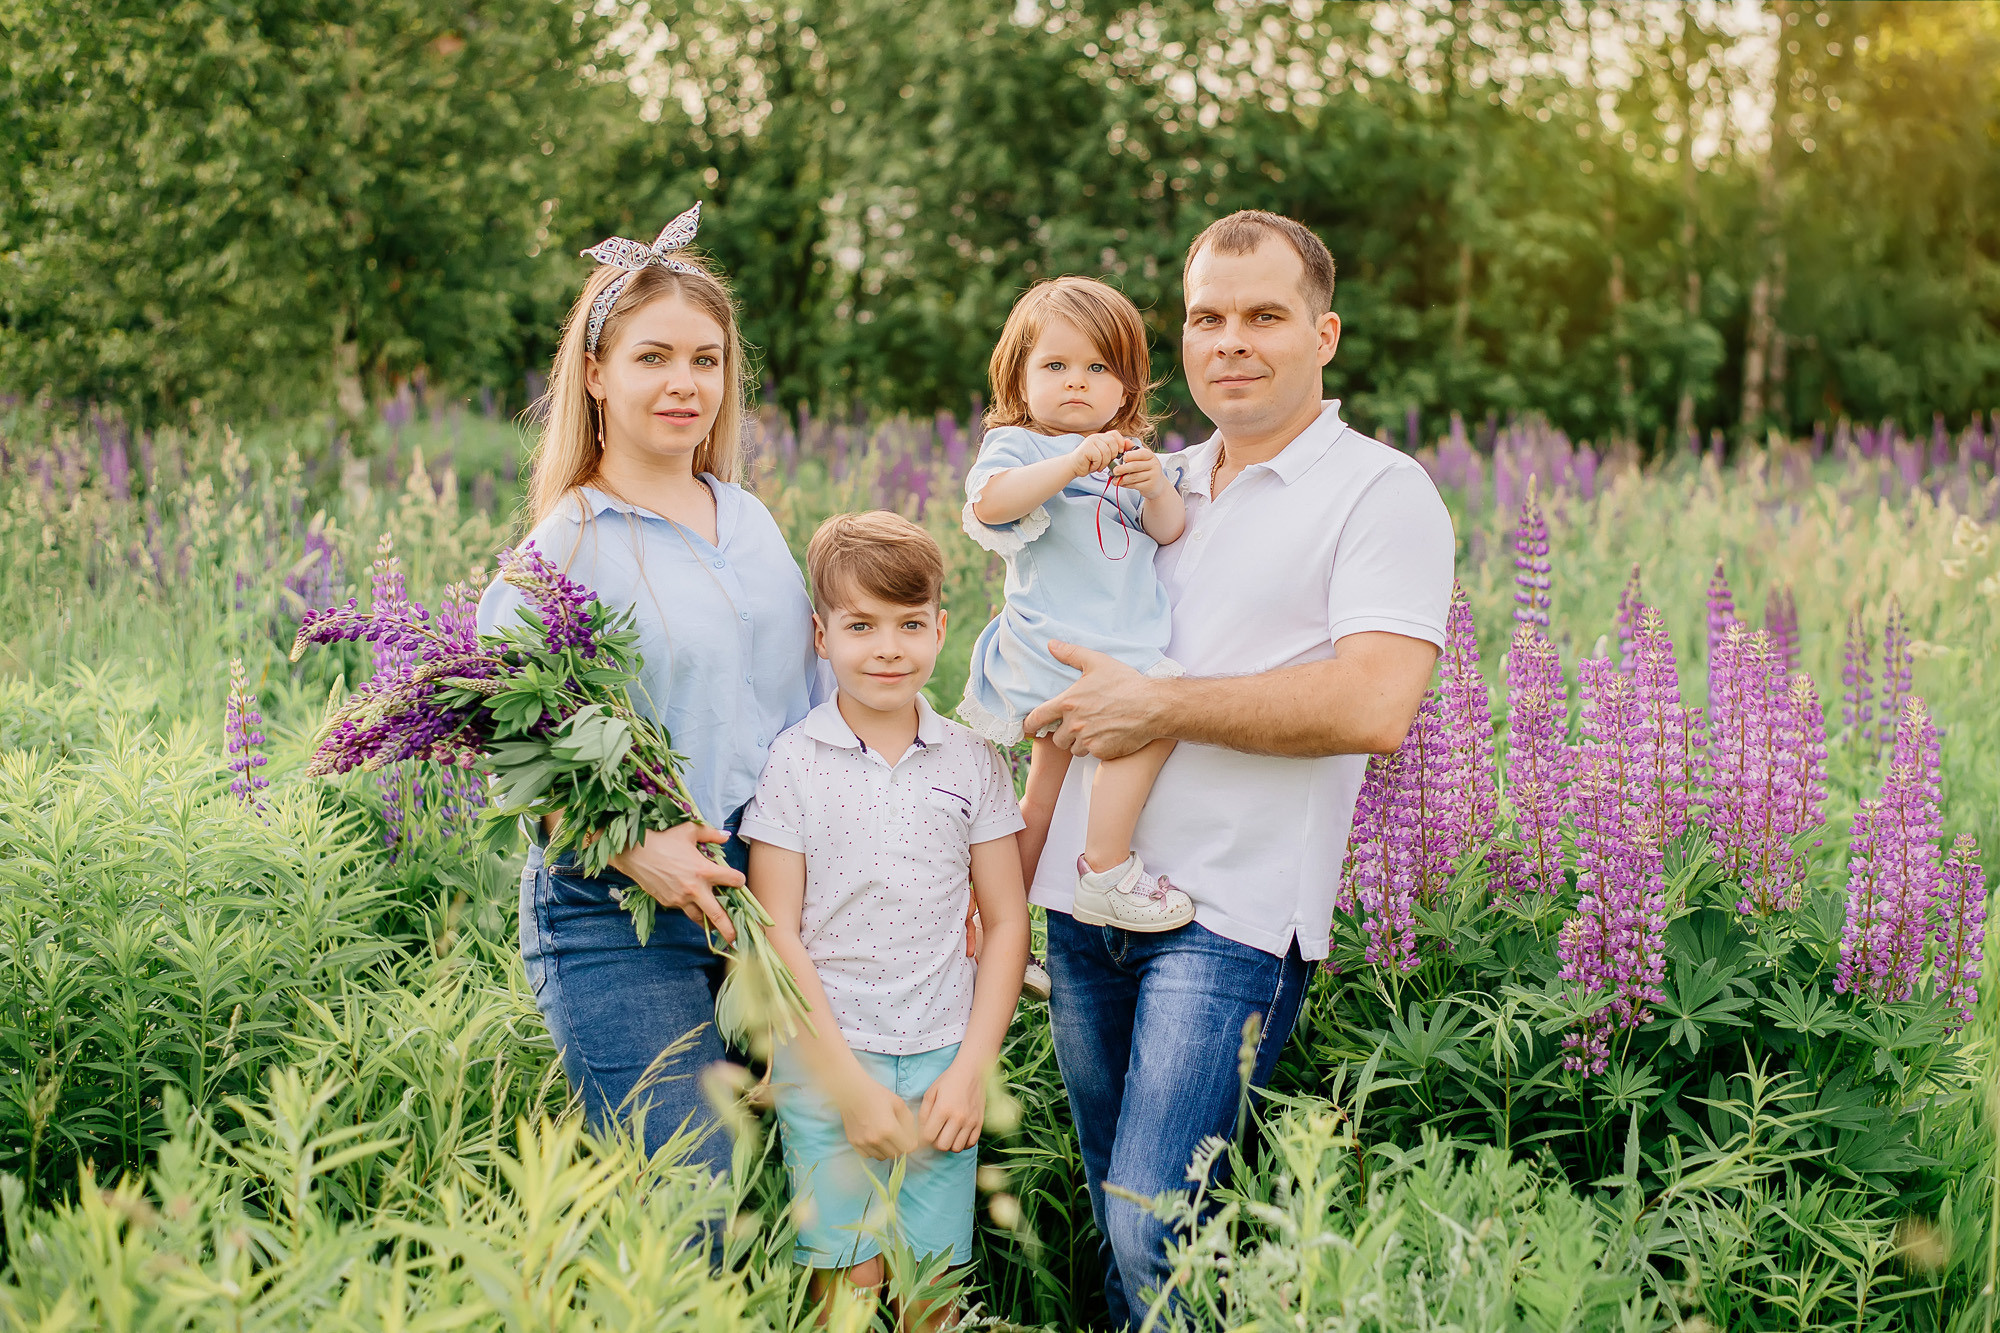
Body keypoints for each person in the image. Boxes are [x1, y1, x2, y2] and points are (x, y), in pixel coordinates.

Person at [1022, 212, 1456, 1329]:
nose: (1230, 342)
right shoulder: (1140, 479)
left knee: (1151, 1219)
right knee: (1117, 1213)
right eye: (1206, 319)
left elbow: (1374, 703)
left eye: (1262, 316)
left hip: (1229, 917)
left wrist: (1156, 703)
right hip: (1082, 899)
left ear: (1323, 332)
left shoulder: (1378, 490)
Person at [475, 203, 823, 1176]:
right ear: (595, 374)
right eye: (652, 357)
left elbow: (800, 702)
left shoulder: (746, 518)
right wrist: (637, 848)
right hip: (615, 912)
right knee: (696, 1194)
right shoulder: (566, 549)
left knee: (822, 1185)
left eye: (705, 360)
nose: (684, 383)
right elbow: (517, 747)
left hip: (764, 892)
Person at [741, 511, 1030, 1328]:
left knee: (930, 1291)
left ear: (941, 628)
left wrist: (973, 1067)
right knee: (850, 1281)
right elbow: (778, 932)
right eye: (860, 625)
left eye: (909, 625)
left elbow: (1007, 923)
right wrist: (844, 1085)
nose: (888, 648)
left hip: (944, 1057)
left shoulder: (971, 760)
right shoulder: (793, 761)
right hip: (829, 1054)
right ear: (820, 636)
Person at [958, 276, 1195, 949]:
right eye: (1055, 366)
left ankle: (995, 929)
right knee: (1153, 721)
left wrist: (1156, 490)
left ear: (1127, 389)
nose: (1076, 383)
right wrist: (1067, 465)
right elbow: (992, 504)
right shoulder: (1021, 447)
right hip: (1054, 646)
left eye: (1098, 369)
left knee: (1042, 796)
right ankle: (1106, 867)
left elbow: (1169, 530)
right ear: (1020, 378)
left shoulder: (1131, 455)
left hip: (1106, 641)